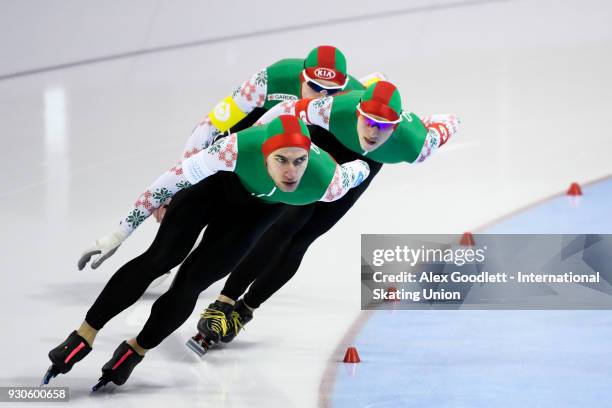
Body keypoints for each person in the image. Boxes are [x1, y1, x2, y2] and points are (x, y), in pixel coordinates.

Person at [43, 115, 370, 389]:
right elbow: (166, 184)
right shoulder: (233, 150)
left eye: (299, 161)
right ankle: (83, 336)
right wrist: (117, 234)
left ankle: (136, 350)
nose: (290, 172)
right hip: (214, 189)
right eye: (281, 160)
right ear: (265, 154)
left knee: (191, 282)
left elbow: (362, 169)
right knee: (161, 258)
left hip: (255, 215)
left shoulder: (328, 181)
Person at [191, 81, 460, 351]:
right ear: (357, 113)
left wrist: (424, 122)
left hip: (361, 169)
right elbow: (287, 109)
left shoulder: (418, 143)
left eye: (384, 126)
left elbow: (451, 120)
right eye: (369, 121)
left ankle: (245, 310)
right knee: (286, 223)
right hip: (323, 150)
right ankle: (223, 303)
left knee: (304, 238)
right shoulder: (333, 109)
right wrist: (255, 134)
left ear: (397, 125)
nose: (374, 132)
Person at [77, 45, 372, 270]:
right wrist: (121, 232)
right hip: (257, 131)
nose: (319, 96)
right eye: (313, 87)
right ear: (300, 77)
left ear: (343, 88)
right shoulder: (270, 80)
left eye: (330, 91)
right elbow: (208, 127)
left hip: (302, 138)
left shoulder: (352, 99)